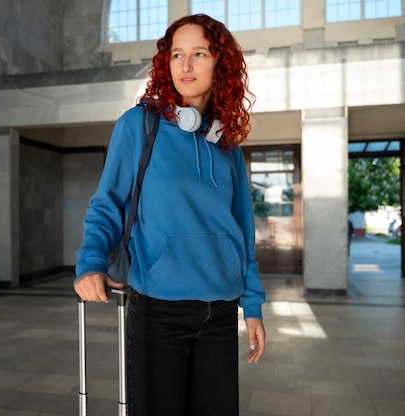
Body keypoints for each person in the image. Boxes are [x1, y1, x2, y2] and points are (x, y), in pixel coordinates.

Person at [74, 14, 266, 416]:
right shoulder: (137, 126)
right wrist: (90, 263)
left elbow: (243, 231)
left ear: (221, 64)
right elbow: (107, 204)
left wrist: (252, 305)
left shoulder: (226, 144)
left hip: (220, 310)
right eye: (177, 54)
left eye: (199, 53)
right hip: (158, 310)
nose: (186, 65)